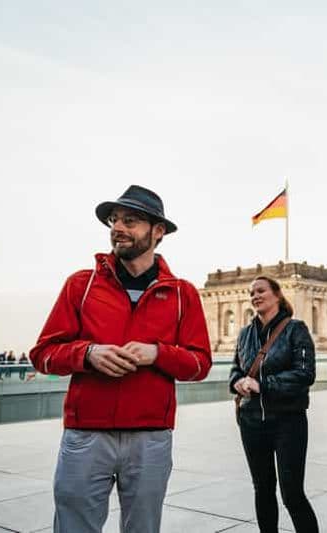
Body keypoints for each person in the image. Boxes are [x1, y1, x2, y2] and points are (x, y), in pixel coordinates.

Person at [30, 185, 212, 533]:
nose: (118, 227)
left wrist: (158, 353)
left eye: (131, 220)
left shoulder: (182, 293)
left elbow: (200, 364)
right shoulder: (79, 285)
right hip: (86, 436)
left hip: (151, 437)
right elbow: (43, 355)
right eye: (114, 220)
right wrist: (87, 353)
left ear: (158, 231)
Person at [229, 276, 318, 533]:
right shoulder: (246, 333)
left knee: (292, 493)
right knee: (263, 489)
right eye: (251, 293)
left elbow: (305, 374)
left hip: (288, 421)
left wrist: (263, 384)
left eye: (261, 291)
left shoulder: (295, 329)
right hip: (251, 420)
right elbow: (236, 368)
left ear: (277, 295)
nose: (255, 296)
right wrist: (237, 382)